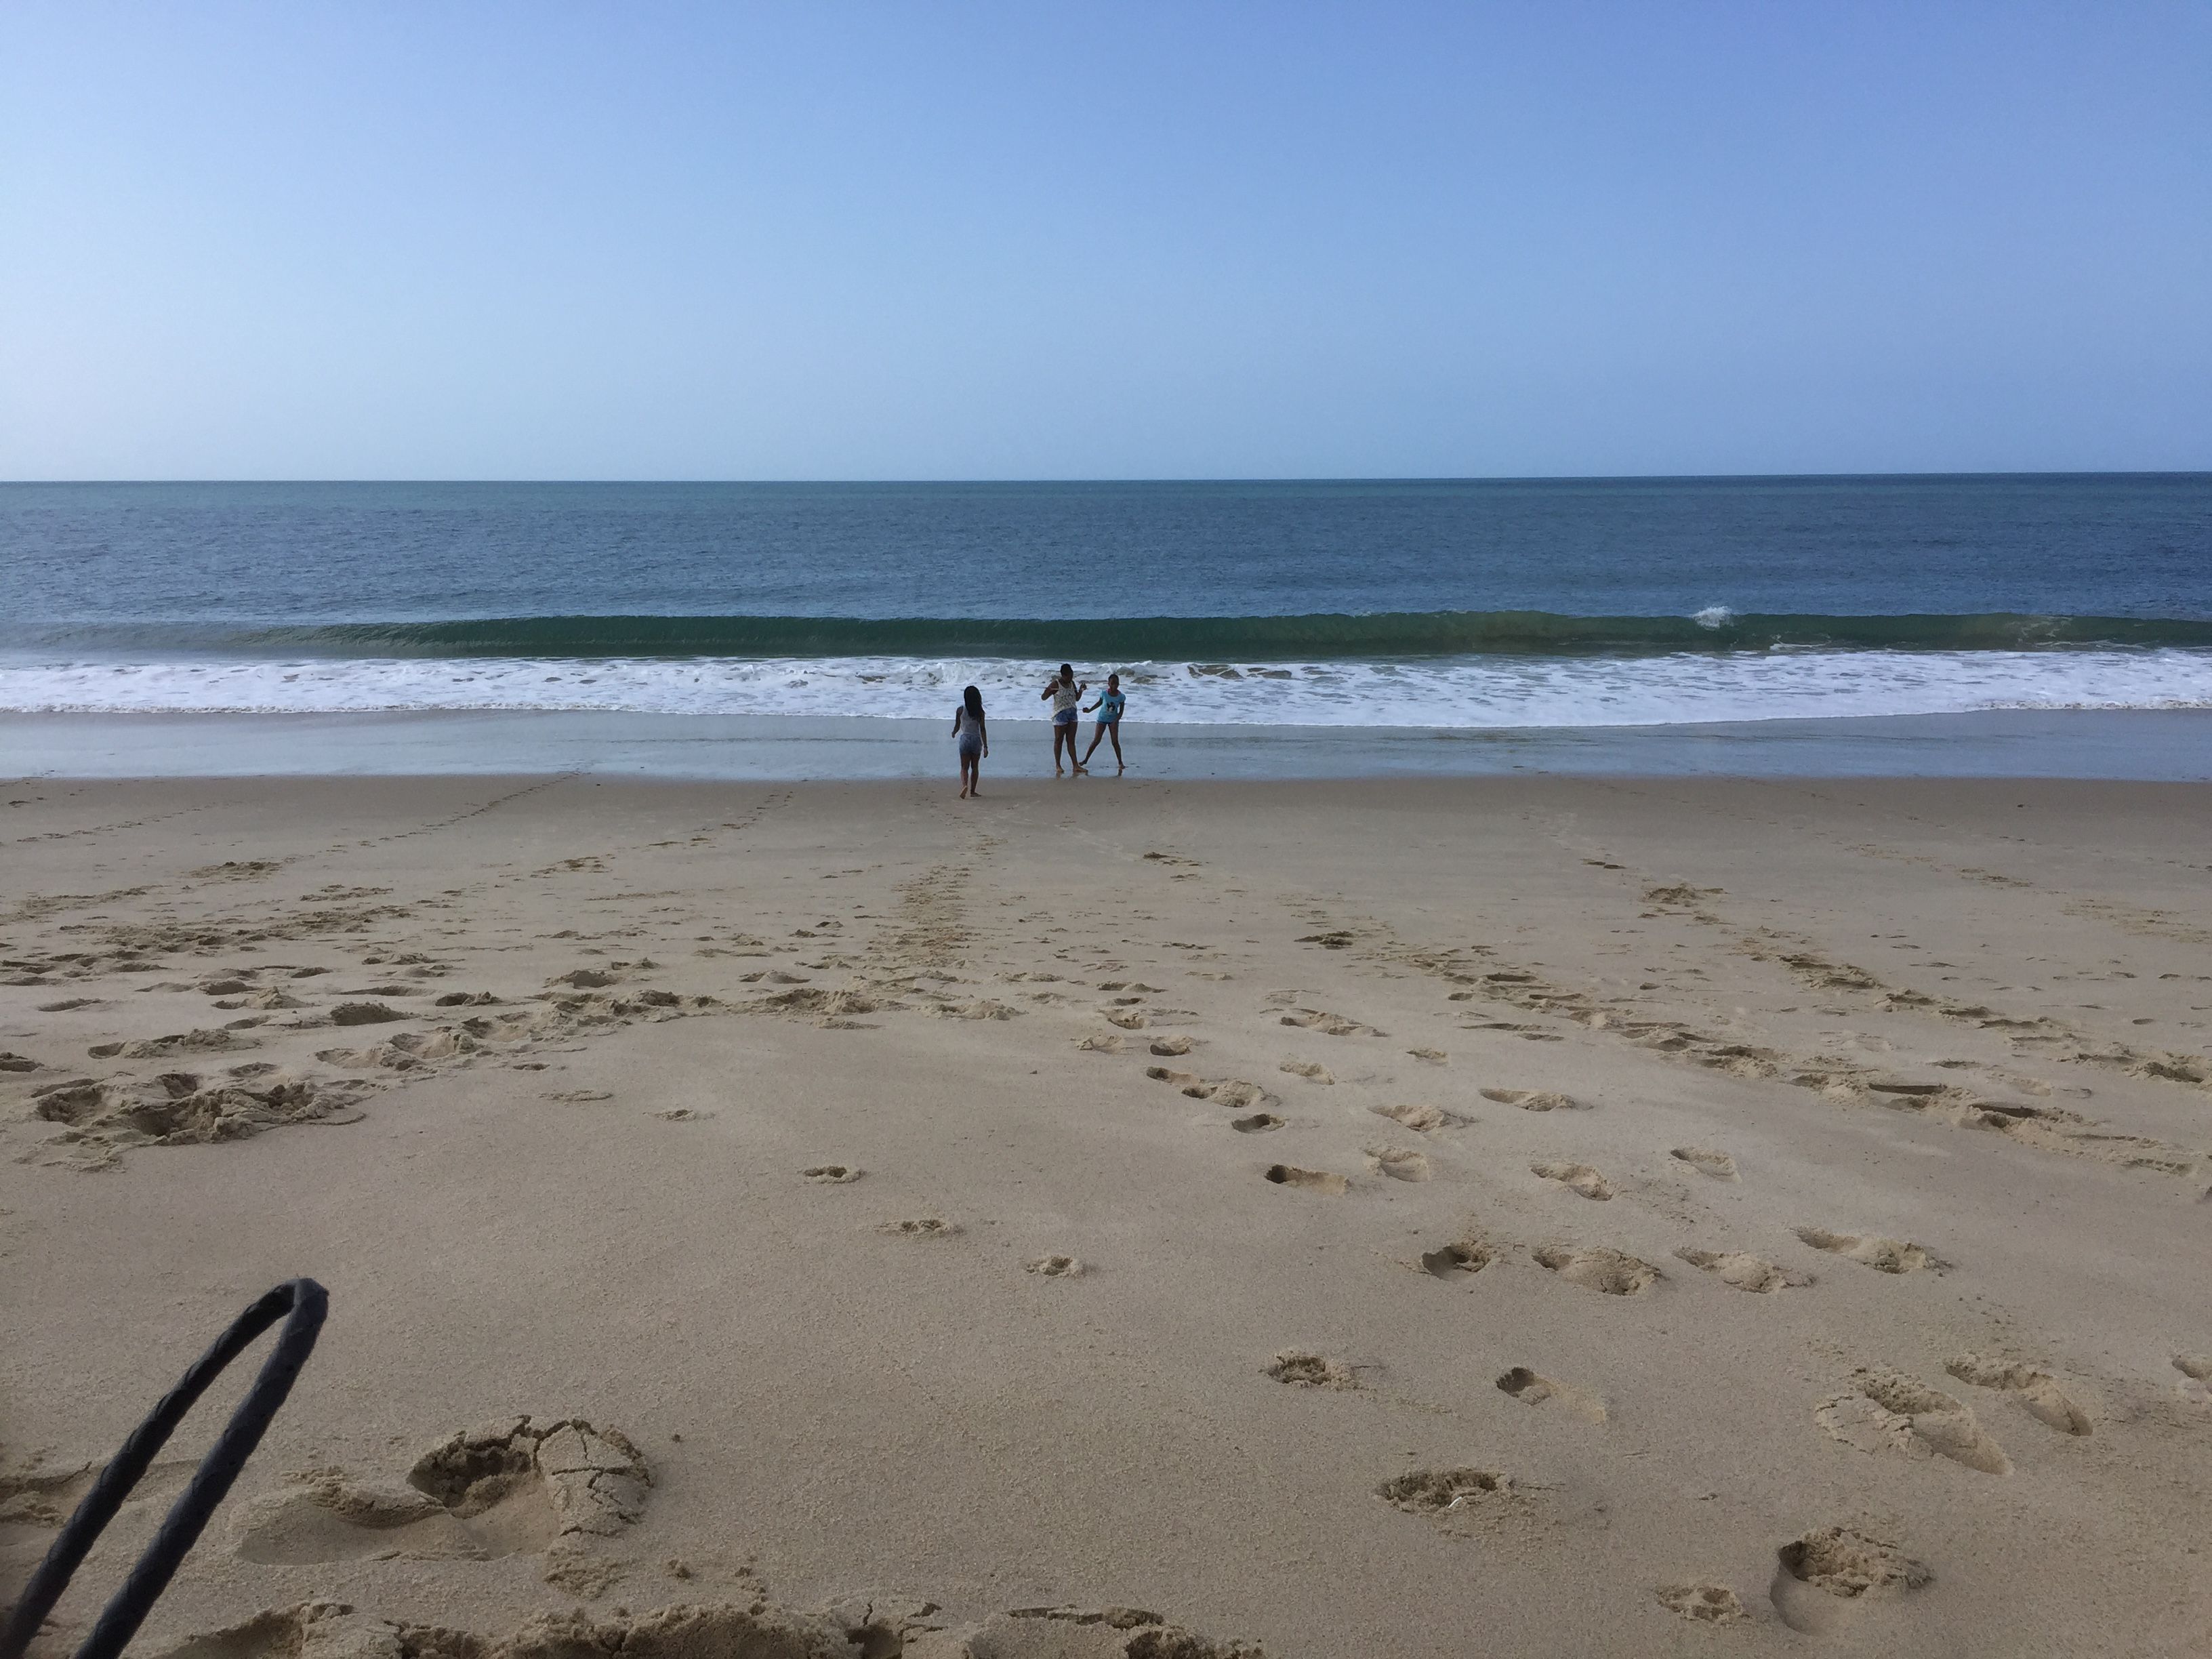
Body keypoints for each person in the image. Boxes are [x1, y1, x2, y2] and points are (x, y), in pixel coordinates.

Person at [1040, 662, 1087, 775]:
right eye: (1069, 676)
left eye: (1072, 675)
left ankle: (1075, 765)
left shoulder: (1072, 683)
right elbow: (1043, 698)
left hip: (1072, 713)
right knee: (1059, 740)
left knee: (1071, 741)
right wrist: (1048, 691)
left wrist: (1081, 690)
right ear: (1063, 675)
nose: (1071, 678)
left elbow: (1077, 699)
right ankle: (1058, 765)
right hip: (1060, 714)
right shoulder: (1055, 684)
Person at [1080, 672, 1127, 773]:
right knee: (1096, 740)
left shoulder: (1121, 697)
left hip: (1113, 720)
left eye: (1116, 683)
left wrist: (1116, 720)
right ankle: (1086, 760)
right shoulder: (1104, 694)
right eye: (1112, 683)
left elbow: (1121, 711)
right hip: (1102, 719)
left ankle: (1120, 762)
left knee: (1115, 742)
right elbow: (1099, 703)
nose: (1115, 685)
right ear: (1109, 684)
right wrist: (1089, 710)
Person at [953, 684, 988, 798]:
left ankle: (964, 785)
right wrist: (986, 747)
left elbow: (957, 726)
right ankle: (973, 791)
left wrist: (954, 733)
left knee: (964, 767)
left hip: (965, 739)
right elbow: (982, 729)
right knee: (975, 767)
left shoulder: (960, 710)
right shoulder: (980, 712)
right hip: (976, 740)